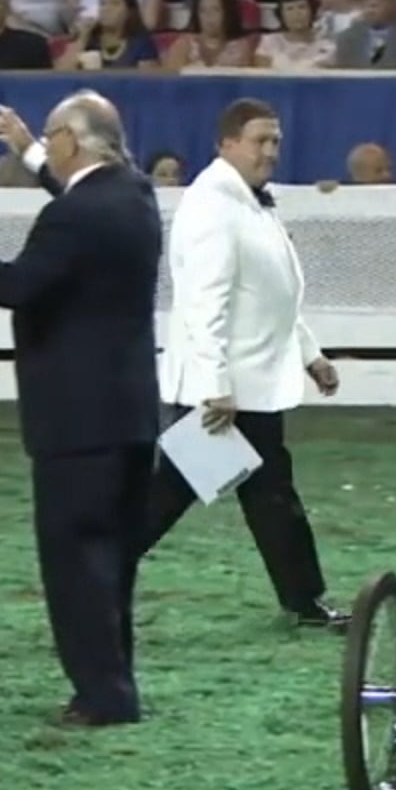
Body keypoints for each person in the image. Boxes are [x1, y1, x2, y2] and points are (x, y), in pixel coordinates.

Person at [0, 92, 163, 727]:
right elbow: (80, 202)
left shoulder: (73, 217)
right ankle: (116, 684)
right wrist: (30, 151)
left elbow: (17, 286)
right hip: (130, 414)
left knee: (75, 564)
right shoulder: (135, 196)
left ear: (71, 142)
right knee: (112, 563)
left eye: (53, 138)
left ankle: (101, 696)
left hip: (76, 421)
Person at [141, 98, 348, 630]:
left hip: (248, 387)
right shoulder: (212, 206)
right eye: (260, 140)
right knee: (174, 494)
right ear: (227, 143)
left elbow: (274, 294)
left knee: (265, 493)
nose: (271, 151)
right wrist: (215, 385)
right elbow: (204, 304)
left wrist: (310, 354)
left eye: (275, 140)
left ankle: (304, 601)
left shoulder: (250, 203)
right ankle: (94, 569)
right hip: (224, 393)